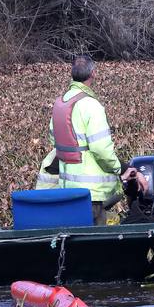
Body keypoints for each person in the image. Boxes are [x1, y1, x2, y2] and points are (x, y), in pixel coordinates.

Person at [48, 55, 125, 223]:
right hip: (92, 195)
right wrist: (119, 169)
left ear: (72, 74)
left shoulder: (59, 104)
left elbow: (53, 139)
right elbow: (101, 149)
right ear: (93, 74)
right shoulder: (92, 106)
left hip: (67, 191)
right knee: (94, 245)